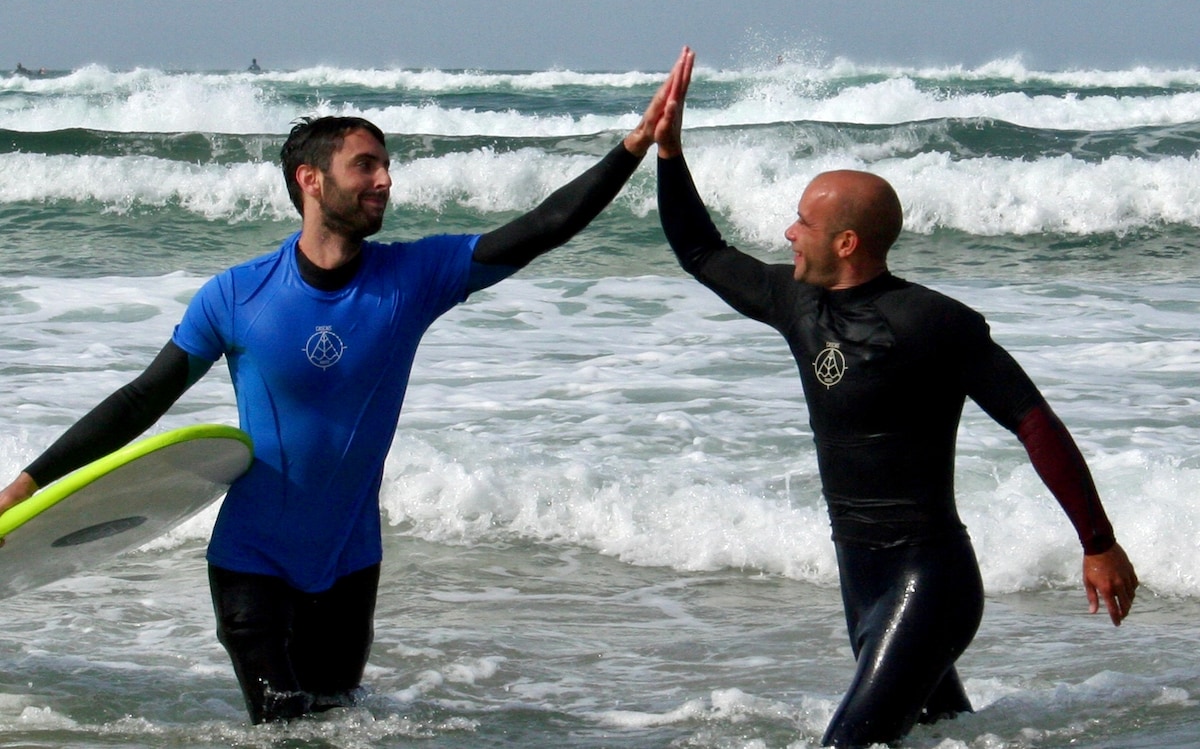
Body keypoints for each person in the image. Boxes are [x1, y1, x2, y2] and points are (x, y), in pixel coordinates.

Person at [0, 81, 673, 723]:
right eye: (366, 165)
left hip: (351, 567)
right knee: (286, 729)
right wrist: (26, 485)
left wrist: (635, 145)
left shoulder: (413, 278)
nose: (384, 180)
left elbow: (544, 227)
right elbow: (140, 399)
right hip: (251, 565)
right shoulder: (236, 296)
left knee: (337, 727)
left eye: (386, 166)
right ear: (311, 180)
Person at [647, 48, 1138, 748]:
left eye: (803, 223)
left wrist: (1099, 543)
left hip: (929, 579)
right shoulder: (796, 302)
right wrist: (669, 152)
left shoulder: (934, 323)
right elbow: (699, 250)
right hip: (862, 577)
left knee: (848, 744)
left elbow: (1033, 421)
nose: (788, 232)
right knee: (944, 736)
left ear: (846, 241)